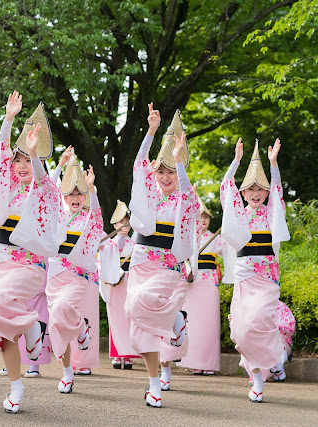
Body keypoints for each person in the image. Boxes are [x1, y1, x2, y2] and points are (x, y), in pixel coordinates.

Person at [0, 92, 62, 414]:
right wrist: (8, 118)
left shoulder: (44, 190)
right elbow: (0, 155)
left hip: (28, 267)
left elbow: (40, 175)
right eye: (18, 160)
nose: (22, 165)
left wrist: (33, 152)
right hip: (2, 264)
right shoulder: (7, 191)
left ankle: (32, 327)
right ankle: (16, 387)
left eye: (27, 159)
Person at [125, 106, 198, 408]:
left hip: (166, 266)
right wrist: (152, 131)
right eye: (162, 171)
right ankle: (154, 384)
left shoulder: (183, 198)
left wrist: (179, 163)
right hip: (141, 261)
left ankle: (174, 320)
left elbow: (190, 196)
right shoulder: (148, 194)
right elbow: (139, 164)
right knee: (136, 321)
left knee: (142, 300)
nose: (165, 176)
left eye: (171, 172)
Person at [221, 138, 289, 403]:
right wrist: (236, 161)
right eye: (250, 188)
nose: (256, 192)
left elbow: (278, 190)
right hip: (244, 277)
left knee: (258, 320)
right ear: (244, 192)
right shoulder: (237, 213)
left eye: (261, 188)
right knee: (240, 331)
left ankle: (273, 357)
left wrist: (273, 165)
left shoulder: (272, 211)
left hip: (267, 278)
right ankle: (258, 377)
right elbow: (225, 187)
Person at [44, 152, 102, 393]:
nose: (75, 198)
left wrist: (93, 190)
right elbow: (46, 193)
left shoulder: (87, 218)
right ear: (64, 196)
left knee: (61, 310)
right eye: (71, 193)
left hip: (77, 277)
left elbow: (97, 217)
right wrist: (58, 165)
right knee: (56, 325)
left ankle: (79, 327)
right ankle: (67, 371)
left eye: (80, 194)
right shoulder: (57, 215)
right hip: (55, 276)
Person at [177, 199, 231, 375]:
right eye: (200, 218)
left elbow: (231, 249)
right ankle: (194, 362)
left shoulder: (217, 239)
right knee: (193, 324)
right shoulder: (187, 238)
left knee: (209, 324)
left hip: (209, 285)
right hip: (192, 285)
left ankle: (208, 363)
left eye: (206, 218)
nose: (203, 221)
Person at [101, 201, 140, 370]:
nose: (124, 226)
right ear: (115, 224)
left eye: (126, 222)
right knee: (116, 318)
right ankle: (117, 355)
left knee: (129, 317)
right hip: (116, 283)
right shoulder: (110, 243)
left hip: (130, 282)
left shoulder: (135, 244)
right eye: (120, 222)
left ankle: (129, 355)